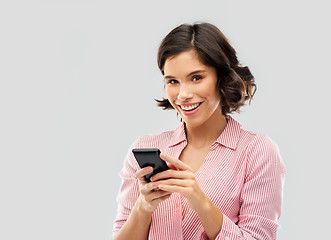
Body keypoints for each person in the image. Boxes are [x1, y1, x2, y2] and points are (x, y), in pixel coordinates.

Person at [111, 22, 286, 240]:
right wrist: (144, 206)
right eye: (173, 81)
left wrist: (199, 200)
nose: (183, 94)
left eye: (196, 78)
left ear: (222, 78)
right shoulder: (144, 148)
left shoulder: (257, 151)